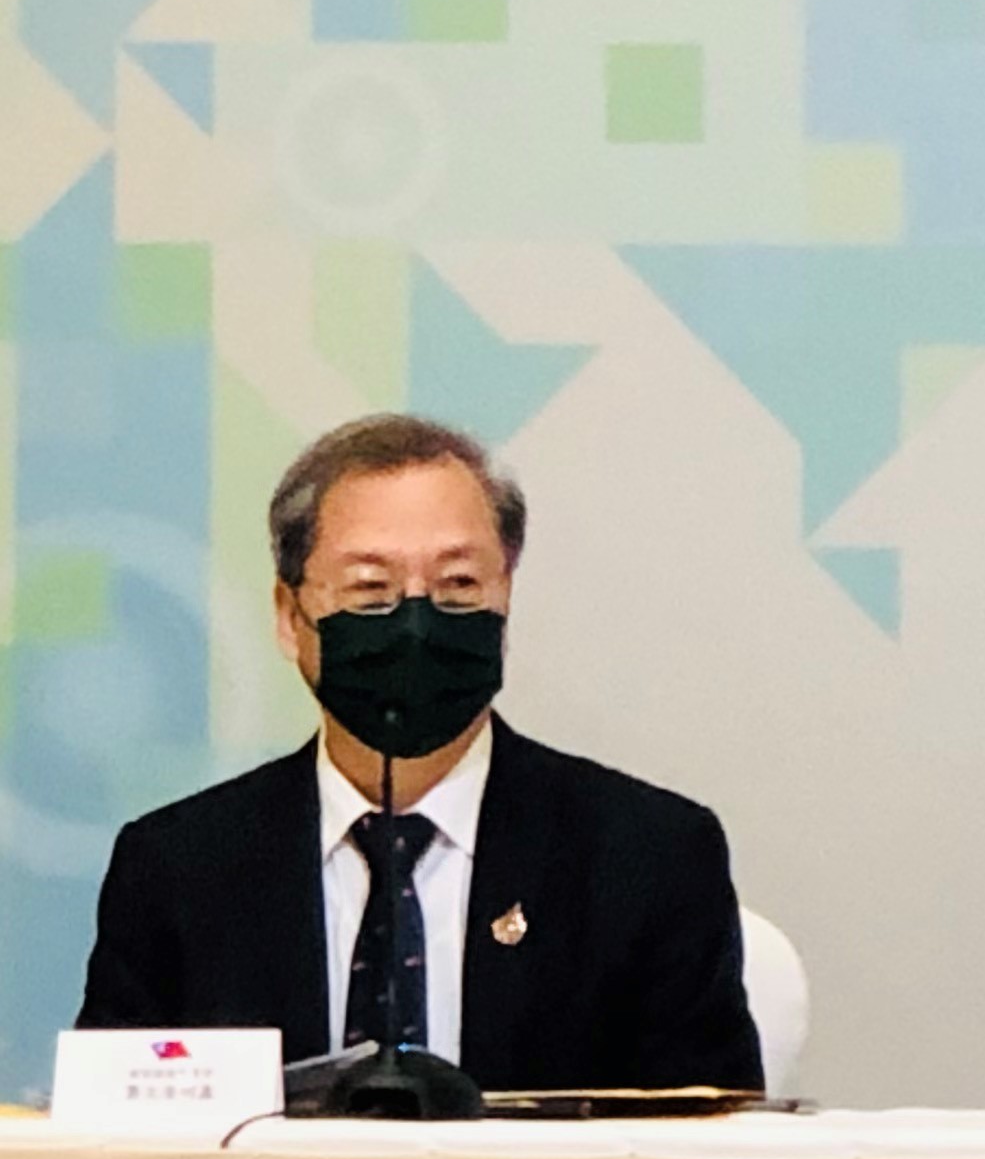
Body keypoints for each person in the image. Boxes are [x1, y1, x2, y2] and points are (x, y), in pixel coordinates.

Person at [76, 413, 762, 1092]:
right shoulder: (179, 868)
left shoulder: (647, 857)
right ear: (290, 616)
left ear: (505, 599)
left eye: (457, 586)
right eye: (370, 590)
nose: (415, 623)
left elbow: (708, 1142)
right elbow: (115, 1135)